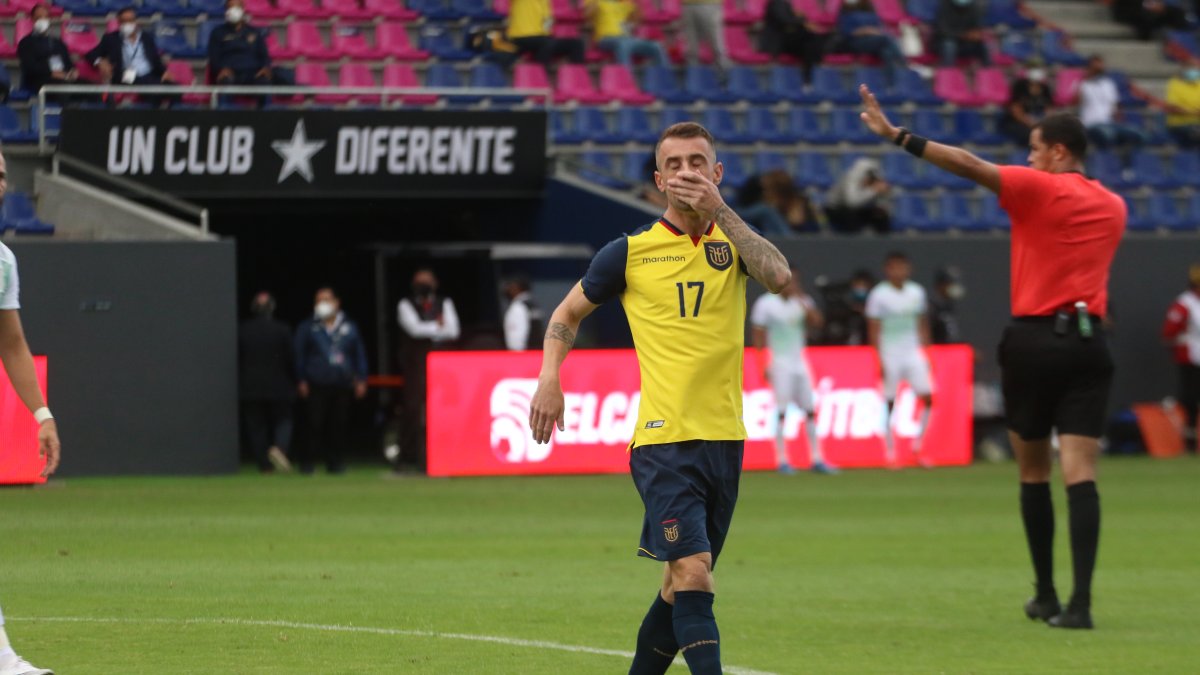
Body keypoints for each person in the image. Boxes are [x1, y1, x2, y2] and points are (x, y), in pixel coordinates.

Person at [859, 84, 1125, 629]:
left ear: (1058, 152)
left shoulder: (1038, 189)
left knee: (1032, 471)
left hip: (1033, 342)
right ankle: (1081, 605)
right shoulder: (1114, 206)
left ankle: (1046, 594)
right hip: (1088, 343)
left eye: (1033, 148)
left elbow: (966, 163)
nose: (1027, 157)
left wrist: (897, 136)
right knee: (1082, 473)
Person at [528, 122, 791, 675]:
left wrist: (723, 211)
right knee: (695, 572)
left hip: (725, 439)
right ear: (658, 180)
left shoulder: (734, 246)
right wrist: (549, 376)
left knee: (678, 586)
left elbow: (780, 276)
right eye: (674, 164)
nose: (687, 171)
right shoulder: (628, 252)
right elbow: (565, 315)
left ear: (716, 173)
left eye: (698, 162)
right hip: (663, 443)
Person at [0, 150, 61, 675]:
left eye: (1, 173)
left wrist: (41, 414)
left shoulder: (3, 260)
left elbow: (13, 344)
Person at [751, 271, 837, 475]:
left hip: (800, 362)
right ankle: (782, 460)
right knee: (781, 412)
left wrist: (802, 301)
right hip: (779, 363)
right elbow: (758, 335)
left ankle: (817, 458)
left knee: (810, 410)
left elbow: (817, 322)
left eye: (794, 281)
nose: (790, 285)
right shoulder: (765, 304)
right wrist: (762, 363)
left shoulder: (802, 301)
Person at [865, 252, 934, 469]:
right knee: (889, 403)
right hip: (890, 352)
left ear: (908, 269)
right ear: (887, 270)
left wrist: (927, 352)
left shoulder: (917, 292)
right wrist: (879, 358)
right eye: (894, 268)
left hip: (913, 351)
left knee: (929, 397)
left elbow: (922, 323)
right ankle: (890, 452)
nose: (899, 272)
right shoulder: (879, 295)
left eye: (902, 267)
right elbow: (873, 329)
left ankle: (918, 447)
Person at [294, 287, 368, 475]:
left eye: (326, 300)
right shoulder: (308, 326)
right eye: (318, 301)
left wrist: (361, 378)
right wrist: (301, 379)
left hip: (342, 383)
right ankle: (307, 463)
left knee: (338, 425)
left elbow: (359, 354)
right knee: (314, 423)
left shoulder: (349, 326)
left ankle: (335, 463)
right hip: (316, 383)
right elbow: (299, 355)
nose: (322, 304)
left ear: (337, 302)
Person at [397, 268, 459, 471]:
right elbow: (414, 330)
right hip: (416, 365)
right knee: (413, 409)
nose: (423, 285)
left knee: (444, 409)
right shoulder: (405, 304)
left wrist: (432, 328)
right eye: (419, 281)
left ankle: (446, 453)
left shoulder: (445, 302)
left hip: (442, 367)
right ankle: (409, 457)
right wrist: (438, 326)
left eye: (427, 281)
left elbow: (453, 330)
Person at [238, 292, 295, 474]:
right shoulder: (282, 329)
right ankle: (279, 447)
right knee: (284, 420)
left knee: (257, 427)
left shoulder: (243, 329)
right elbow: (291, 359)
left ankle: (265, 466)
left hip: (251, 387)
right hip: (279, 386)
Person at [86, 6, 173, 97]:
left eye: (131, 20)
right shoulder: (111, 39)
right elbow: (91, 54)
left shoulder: (146, 37)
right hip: (126, 78)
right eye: (124, 21)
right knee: (151, 88)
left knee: (174, 88)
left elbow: (155, 59)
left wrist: (164, 72)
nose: (128, 24)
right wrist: (100, 62)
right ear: (119, 23)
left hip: (149, 76)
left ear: (136, 21)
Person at [1162, 263, 1200, 454]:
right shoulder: (1185, 303)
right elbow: (1169, 332)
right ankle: (1190, 441)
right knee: (1191, 399)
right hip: (1191, 357)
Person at [1074, 55, 1145, 153]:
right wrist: (1087, 77)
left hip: (1109, 123)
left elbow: (1115, 105)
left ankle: (1128, 166)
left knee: (1138, 134)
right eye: (1095, 68)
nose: (1098, 70)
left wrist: (1118, 117)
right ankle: (1108, 163)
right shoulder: (1083, 85)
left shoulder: (1108, 84)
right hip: (1091, 124)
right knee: (1108, 135)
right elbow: (1076, 100)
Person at [834, 0, 907, 86]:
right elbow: (846, 33)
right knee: (886, 39)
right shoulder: (846, 15)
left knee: (886, 52)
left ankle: (890, 84)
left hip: (875, 42)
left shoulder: (872, 14)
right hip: (855, 43)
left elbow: (878, 29)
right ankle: (903, 64)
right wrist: (864, 31)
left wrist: (874, 31)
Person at [208, 0, 272, 87]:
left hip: (252, 73)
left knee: (264, 80)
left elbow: (264, 55)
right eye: (230, 8)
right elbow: (214, 57)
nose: (233, 10)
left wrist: (265, 68)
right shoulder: (218, 33)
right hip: (229, 73)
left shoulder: (254, 32)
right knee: (224, 81)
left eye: (236, 7)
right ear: (226, 11)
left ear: (243, 9)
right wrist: (220, 69)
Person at [585, 0, 668, 67]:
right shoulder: (596, 1)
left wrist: (637, 6)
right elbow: (586, 15)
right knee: (624, 44)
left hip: (626, 38)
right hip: (604, 38)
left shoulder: (624, 3)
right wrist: (594, 5)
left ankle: (667, 79)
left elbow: (636, 19)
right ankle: (626, 80)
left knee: (656, 46)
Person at [17, 4, 76, 97]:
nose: (43, 20)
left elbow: (69, 63)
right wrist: (51, 73)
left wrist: (73, 71)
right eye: (39, 17)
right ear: (32, 20)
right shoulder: (26, 43)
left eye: (46, 17)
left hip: (63, 78)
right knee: (63, 89)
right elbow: (29, 67)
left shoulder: (58, 42)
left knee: (89, 87)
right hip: (41, 80)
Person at [760, 0, 826, 82]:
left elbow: (792, 20)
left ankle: (812, 73)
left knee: (811, 42)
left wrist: (800, 17)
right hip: (777, 43)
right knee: (810, 40)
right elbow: (785, 20)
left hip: (787, 41)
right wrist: (802, 20)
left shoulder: (786, 4)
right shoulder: (777, 3)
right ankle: (809, 76)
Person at [506, 0, 586, 65]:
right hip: (520, 37)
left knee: (576, 44)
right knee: (545, 44)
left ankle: (578, 77)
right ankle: (540, 78)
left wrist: (548, 32)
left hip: (542, 37)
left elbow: (548, 20)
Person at [824, 156, 891, 233]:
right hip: (836, 209)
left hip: (858, 209)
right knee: (851, 215)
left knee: (881, 215)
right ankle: (852, 243)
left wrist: (883, 197)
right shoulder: (851, 178)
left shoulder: (874, 179)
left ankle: (883, 243)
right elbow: (852, 203)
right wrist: (873, 191)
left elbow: (883, 203)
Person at [1000, 58, 1055, 146]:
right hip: (1017, 122)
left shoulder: (1045, 88)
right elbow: (1016, 110)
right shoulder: (1019, 86)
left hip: (1039, 122)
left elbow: (1049, 109)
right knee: (1031, 134)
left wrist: (1042, 122)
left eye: (1039, 68)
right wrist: (1031, 122)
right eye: (1033, 68)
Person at [933, 0, 990, 66]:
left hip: (966, 43)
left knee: (984, 45)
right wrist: (962, 35)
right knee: (949, 45)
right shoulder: (944, 6)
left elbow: (977, 27)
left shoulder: (974, 8)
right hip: (944, 42)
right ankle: (947, 72)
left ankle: (988, 72)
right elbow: (942, 31)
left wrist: (976, 34)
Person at [682, 0, 731, 72]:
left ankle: (724, 73)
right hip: (687, 4)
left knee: (716, 44)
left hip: (710, 4)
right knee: (691, 47)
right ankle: (694, 76)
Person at [503, 275, 543, 351]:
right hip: (537, 353)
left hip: (523, 355)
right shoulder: (533, 305)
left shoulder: (518, 307)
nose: (508, 289)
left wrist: (516, 356)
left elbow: (516, 338)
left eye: (511, 286)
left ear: (517, 287)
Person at [1165, 62, 1200, 147]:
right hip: (1180, 124)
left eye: (1196, 69)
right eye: (1191, 69)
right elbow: (1173, 107)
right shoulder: (1175, 84)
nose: (1195, 72)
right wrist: (1193, 112)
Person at [929, 266, 965, 345]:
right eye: (950, 284)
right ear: (941, 285)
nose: (954, 287)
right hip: (937, 352)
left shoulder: (950, 305)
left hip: (952, 351)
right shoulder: (931, 307)